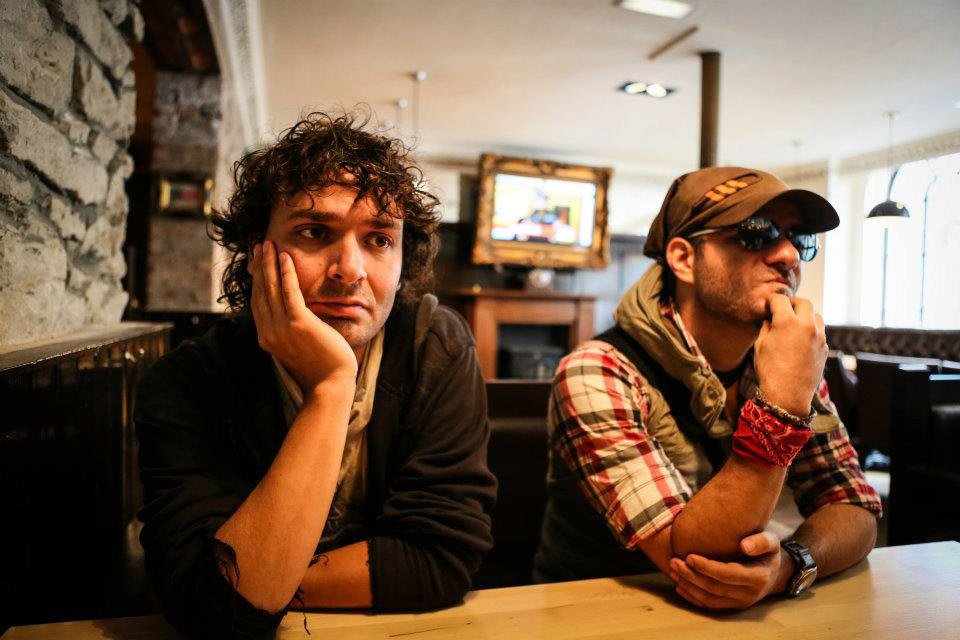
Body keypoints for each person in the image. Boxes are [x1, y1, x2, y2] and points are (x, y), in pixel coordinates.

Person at [135, 112, 496, 638]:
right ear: (256, 250)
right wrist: (331, 388)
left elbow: (441, 559)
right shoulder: (189, 380)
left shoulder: (434, 346)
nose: (350, 269)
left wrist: (266, 579)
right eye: (315, 232)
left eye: (379, 239)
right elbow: (214, 612)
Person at [534, 166, 881, 610]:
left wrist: (788, 566)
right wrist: (781, 407)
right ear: (684, 259)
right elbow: (700, 561)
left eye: (800, 238)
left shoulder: (787, 360)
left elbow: (855, 505)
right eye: (757, 233)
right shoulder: (598, 370)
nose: (789, 255)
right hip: (596, 613)